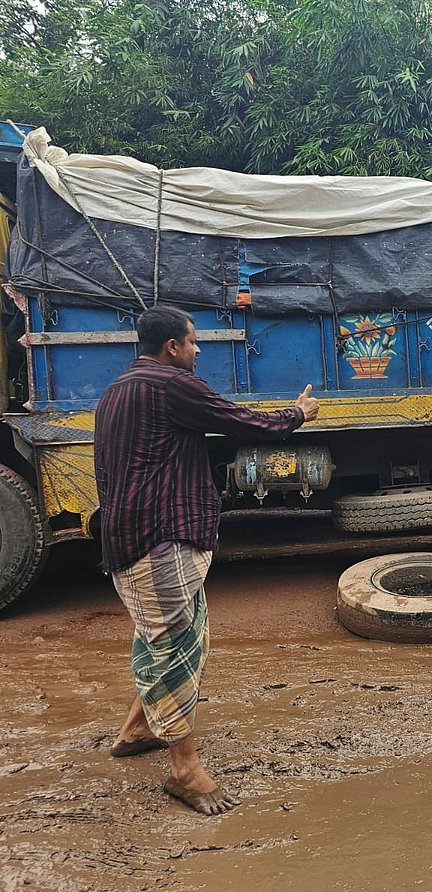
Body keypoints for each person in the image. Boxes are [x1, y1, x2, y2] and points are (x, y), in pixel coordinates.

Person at [94, 305, 319, 815]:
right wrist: (297, 415)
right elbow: (242, 422)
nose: (198, 351)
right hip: (161, 538)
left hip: (131, 538)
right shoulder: (172, 385)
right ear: (172, 346)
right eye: (194, 342)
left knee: (163, 637)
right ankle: (185, 770)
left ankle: (135, 730)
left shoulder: (116, 391)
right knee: (174, 647)